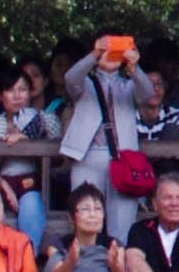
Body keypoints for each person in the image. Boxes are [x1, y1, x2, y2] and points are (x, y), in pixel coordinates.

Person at [58, 36, 155, 213]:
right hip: (86, 157)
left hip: (123, 159)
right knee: (86, 215)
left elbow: (148, 92)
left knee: (122, 219)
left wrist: (134, 67)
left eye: (116, 49)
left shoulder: (129, 86)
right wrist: (95, 54)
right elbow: (70, 78)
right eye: (106, 49)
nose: (110, 53)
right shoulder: (84, 84)